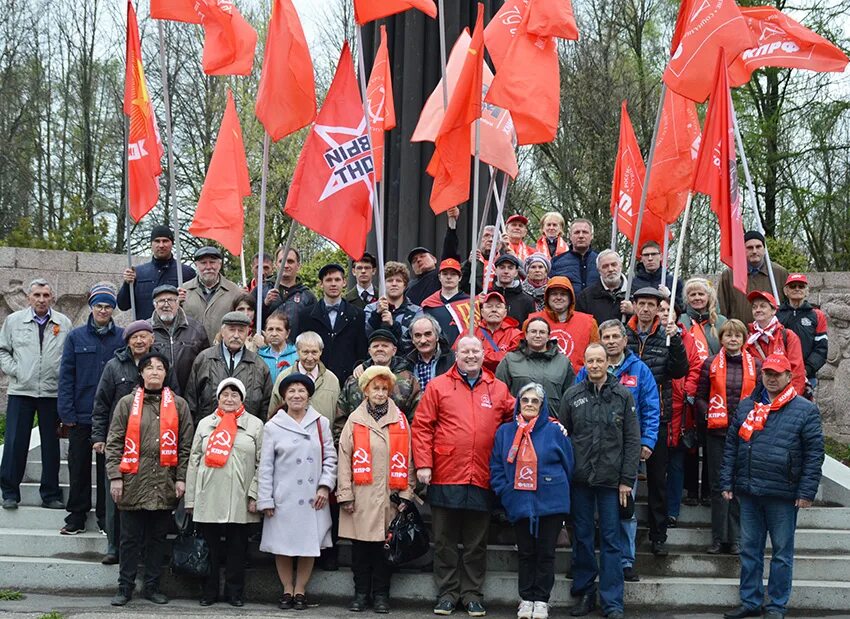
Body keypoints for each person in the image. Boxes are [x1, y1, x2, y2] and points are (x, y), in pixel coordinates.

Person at [412, 336, 515, 617]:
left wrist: (552, 423)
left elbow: (521, 416)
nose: (470, 356)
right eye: (465, 351)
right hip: (446, 472)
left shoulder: (499, 388)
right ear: (455, 356)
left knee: (475, 542)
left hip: (482, 474)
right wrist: (423, 464)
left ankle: (471, 593)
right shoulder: (438, 386)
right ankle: (447, 593)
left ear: (484, 355)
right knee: (444, 539)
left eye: (475, 351)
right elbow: (422, 427)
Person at [719, 354, 824, 619]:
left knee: (781, 553)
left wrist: (806, 492)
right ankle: (750, 601)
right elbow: (731, 446)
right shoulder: (746, 407)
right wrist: (727, 481)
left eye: (777, 373)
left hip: (783, 494)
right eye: (767, 373)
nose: (771, 378)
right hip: (750, 491)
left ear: (789, 377)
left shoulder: (805, 409)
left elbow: (814, 454)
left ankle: (777, 605)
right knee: (750, 551)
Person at [105, 351, 193, 606]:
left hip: (163, 481)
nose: (154, 372)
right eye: (149, 368)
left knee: (157, 540)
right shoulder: (126, 403)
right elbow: (114, 443)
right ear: (141, 373)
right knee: (129, 539)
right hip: (132, 481)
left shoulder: (179, 405)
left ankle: (152, 586)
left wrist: (181, 478)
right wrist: (115, 477)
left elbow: (185, 446)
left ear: (166, 374)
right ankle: (125, 587)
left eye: (160, 368)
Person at [559, 344, 640, 619]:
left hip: (611, 482)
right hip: (580, 480)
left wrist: (627, 480)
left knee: (611, 540)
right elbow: (563, 436)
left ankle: (612, 600)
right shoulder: (571, 396)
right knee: (582, 538)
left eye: (599, 360)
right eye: (590, 360)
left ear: (608, 363)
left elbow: (632, 440)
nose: (594, 365)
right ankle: (584, 594)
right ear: (584, 363)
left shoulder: (623, 395)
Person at [576, 319, 659, 583]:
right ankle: (585, 562)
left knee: (625, 511)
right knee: (589, 515)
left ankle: (624, 561)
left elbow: (651, 408)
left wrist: (648, 441)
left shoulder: (640, 369)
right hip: (591, 455)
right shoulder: (587, 369)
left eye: (615, 336)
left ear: (625, 340)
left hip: (625, 456)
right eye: (606, 337)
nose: (611, 341)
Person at [93, 320, 178, 565]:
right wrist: (99, 436)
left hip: (156, 442)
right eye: (134, 337)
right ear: (127, 340)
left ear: (152, 339)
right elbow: (101, 404)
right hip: (121, 442)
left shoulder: (161, 365)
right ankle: (113, 545)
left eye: (144, 336)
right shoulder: (114, 366)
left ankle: (142, 551)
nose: (139, 341)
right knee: (115, 499)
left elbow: (174, 396)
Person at [490, 382, 574, 619]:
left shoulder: (556, 431)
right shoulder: (505, 432)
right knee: (526, 552)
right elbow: (496, 465)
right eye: (525, 400)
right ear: (518, 403)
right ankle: (526, 598)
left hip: (551, 502)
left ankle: (542, 600)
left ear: (543, 405)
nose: (529, 404)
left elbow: (569, 464)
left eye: (534, 401)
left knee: (546, 553)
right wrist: (506, 492)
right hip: (519, 501)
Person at [337, 365, 416, 613]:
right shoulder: (354, 419)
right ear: (365, 391)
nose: (380, 393)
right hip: (360, 496)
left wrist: (406, 494)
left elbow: (409, 458)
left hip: (388, 498)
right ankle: (361, 594)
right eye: (375, 388)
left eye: (384, 389)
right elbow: (344, 459)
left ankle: (381, 595)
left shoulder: (401, 421)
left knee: (384, 551)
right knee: (360, 551)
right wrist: (345, 494)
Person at [258, 373, 337, 611]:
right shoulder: (273, 425)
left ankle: (300, 589)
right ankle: (286, 589)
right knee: (282, 545)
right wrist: (266, 498)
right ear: (284, 396)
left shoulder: (320, 422)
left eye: (301, 391)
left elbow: (330, 458)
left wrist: (325, 485)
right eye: (291, 391)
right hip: (283, 496)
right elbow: (265, 465)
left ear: (309, 395)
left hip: (313, 496)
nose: (296, 395)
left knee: (307, 544)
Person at [185, 377, 264, 607]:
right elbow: (193, 461)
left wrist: (255, 494)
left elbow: (263, 463)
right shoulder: (205, 424)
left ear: (242, 399)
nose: (229, 399)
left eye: (234, 395)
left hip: (240, 496)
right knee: (209, 548)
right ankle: (209, 592)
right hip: (208, 494)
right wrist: (190, 498)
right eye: (225, 395)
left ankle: (234, 593)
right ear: (218, 398)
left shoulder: (255, 425)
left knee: (237, 548)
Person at [625, 287, 689, 556]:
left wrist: (675, 341)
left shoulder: (666, 335)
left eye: (652, 304)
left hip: (656, 416)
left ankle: (658, 534)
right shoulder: (622, 333)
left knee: (657, 479)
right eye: (642, 304)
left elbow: (679, 370)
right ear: (635, 306)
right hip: (624, 418)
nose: (646, 309)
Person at [57, 283, 125, 535]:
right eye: (99, 305)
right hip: (81, 415)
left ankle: (105, 518)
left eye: (108, 306)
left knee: (107, 470)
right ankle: (76, 515)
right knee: (78, 467)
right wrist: (66, 413)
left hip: (110, 418)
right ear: (92, 306)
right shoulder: (75, 337)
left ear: (113, 310)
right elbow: (65, 376)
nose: (103, 310)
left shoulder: (121, 337)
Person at [0, 279, 72, 510]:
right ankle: (10, 492)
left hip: (52, 392)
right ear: (29, 298)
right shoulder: (13, 321)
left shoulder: (64, 322)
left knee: (51, 445)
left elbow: (69, 355)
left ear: (52, 298)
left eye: (46, 295)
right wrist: (16, 371)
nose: (41, 299)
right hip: (21, 390)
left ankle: (50, 494)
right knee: (14, 443)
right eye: (37, 295)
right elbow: (3, 350)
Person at [695, 319, 760, 556]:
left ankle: (736, 539)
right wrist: (708, 414)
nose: (733, 340)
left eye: (738, 336)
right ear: (721, 339)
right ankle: (718, 537)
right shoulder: (710, 363)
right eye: (728, 335)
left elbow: (763, 400)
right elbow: (700, 396)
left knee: (739, 485)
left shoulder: (756, 365)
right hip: (717, 432)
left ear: (744, 340)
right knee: (717, 485)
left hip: (746, 435)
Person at [185, 311, 273, 424]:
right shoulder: (204, 359)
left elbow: (266, 408)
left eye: (241, 331)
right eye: (232, 329)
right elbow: (191, 402)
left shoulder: (259, 365)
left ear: (247, 333)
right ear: (222, 332)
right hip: (210, 433)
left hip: (245, 435)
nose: (236, 335)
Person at [334, 329, 420, 440]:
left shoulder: (408, 380)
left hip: (396, 449)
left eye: (384, 346)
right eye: (375, 346)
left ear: (394, 350)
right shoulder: (354, 380)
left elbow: (416, 419)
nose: (380, 349)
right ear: (369, 351)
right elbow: (341, 419)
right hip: (360, 450)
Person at [294, 263, 368, 385]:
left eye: (337, 279)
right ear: (321, 284)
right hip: (316, 380)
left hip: (348, 381)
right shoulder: (306, 315)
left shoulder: (357, 315)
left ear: (344, 282)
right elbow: (300, 348)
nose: (333, 284)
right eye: (328, 280)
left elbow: (361, 350)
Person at [496, 317, 575, 416]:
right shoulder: (510, 360)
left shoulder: (563, 362)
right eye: (533, 331)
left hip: (552, 424)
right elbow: (498, 395)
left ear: (548, 336)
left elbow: (571, 398)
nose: (537, 335)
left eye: (542, 332)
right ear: (526, 334)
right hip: (518, 425)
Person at [117, 225, 195, 320]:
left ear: (172, 243)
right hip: (147, 331)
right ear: (151, 244)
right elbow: (123, 305)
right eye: (157, 241)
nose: (161, 245)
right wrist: (127, 284)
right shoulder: (138, 273)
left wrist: (184, 300)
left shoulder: (186, 272)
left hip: (177, 331)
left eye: (165, 241)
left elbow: (195, 307)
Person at [526, 276, 599, 371]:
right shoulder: (531, 321)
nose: (558, 297)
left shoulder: (589, 323)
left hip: (577, 381)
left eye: (563, 294)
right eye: (554, 294)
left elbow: (597, 354)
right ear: (547, 297)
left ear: (570, 297)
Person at [717, 231, 789, 323]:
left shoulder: (779, 273)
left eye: (758, 247)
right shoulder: (729, 275)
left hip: (773, 334)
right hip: (739, 334)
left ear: (764, 249)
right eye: (750, 248)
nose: (754, 251)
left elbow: (788, 306)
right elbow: (721, 308)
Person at [149, 284, 209, 394]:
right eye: (161, 301)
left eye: (171, 300)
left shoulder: (196, 329)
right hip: (156, 397)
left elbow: (205, 364)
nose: (166, 305)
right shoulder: (146, 331)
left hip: (190, 394)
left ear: (178, 303)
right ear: (154, 305)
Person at [269, 331, 341, 422]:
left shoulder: (332, 380)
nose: (310, 358)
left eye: (314, 352)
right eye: (305, 352)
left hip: (322, 435)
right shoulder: (284, 377)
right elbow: (273, 413)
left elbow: (339, 418)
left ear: (321, 352)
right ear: (298, 352)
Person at [745, 291, 806, 393]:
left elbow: (797, 372)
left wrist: (792, 399)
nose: (758, 310)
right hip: (756, 397)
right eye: (754, 307)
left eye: (763, 306)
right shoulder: (748, 339)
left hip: (784, 396)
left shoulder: (788, 336)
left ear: (773, 310)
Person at [181, 246, 243, 343]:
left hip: (223, 350)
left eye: (212, 262)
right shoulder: (183, 291)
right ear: (196, 265)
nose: (208, 267)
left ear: (220, 264)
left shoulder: (234, 291)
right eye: (203, 263)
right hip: (192, 352)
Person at [776, 273, 828, 388]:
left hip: (807, 376)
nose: (797, 289)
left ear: (807, 291)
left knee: (803, 406)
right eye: (793, 286)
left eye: (801, 286)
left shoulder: (818, 315)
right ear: (786, 291)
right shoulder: (775, 314)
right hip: (778, 374)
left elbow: (821, 348)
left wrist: (806, 369)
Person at [405, 207, 462, 306]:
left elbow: (450, 250)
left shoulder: (441, 275)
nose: (418, 260)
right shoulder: (408, 288)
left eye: (422, 256)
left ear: (434, 259)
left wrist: (452, 224)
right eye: (414, 260)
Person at [364, 261, 421, 357]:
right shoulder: (370, 308)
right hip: (376, 363)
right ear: (383, 284)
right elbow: (365, 335)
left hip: (405, 364)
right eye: (390, 280)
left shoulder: (416, 311)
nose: (394, 284)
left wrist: (393, 325)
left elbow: (415, 340)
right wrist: (376, 316)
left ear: (405, 285)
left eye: (398, 281)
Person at [263, 247, 317, 335]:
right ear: (276, 264)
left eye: (290, 261)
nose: (286, 265)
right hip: (267, 347)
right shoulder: (261, 290)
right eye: (282, 261)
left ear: (298, 266)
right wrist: (265, 304)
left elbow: (314, 330)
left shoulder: (308, 297)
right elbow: (251, 320)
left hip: (297, 347)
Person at [575, 250, 633, 326]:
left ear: (620, 266)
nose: (610, 269)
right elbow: (580, 326)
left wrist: (634, 312)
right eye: (605, 266)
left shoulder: (635, 292)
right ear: (599, 270)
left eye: (614, 265)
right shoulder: (586, 297)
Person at [472, 291, 523, 373]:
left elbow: (513, 359)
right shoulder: (470, 333)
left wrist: (479, 355)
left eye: (498, 307)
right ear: (482, 312)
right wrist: (499, 355)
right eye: (489, 306)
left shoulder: (516, 335)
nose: (494, 310)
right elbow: (459, 356)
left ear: (505, 312)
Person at [405, 315, 456, 392]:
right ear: (412, 340)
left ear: (437, 336)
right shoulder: (406, 364)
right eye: (418, 335)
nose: (423, 340)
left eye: (428, 334)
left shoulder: (453, 360)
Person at [550, 218, 599, 295]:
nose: (581, 236)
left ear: (591, 236)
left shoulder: (601, 262)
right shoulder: (556, 263)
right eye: (576, 232)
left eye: (585, 232)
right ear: (570, 236)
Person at [628, 241, 683, 306]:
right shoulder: (632, 283)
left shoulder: (673, 282)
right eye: (646, 255)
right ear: (641, 258)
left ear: (661, 256)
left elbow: (682, 307)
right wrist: (632, 310)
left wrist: (669, 296)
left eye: (653, 254)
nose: (650, 258)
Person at [490, 254, 535, 326]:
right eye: (502, 267)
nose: (506, 271)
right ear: (495, 271)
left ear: (516, 272)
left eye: (510, 268)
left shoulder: (527, 300)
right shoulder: (487, 297)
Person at [257, 310, 298, 383]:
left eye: (278, 330)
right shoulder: (259, 357)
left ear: (287, 333)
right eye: (270, 329)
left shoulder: (297, 356)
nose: (274, 333)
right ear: (265, 332)